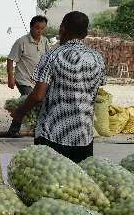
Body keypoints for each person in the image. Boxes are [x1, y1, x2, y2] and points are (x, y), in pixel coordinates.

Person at [10, 11, 106, 163]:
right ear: (85, 33)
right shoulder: (97, 58)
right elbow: (95, 90)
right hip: (83, 135)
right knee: (79, 183)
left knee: (51, 183)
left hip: (53, 134)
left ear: (62, 29)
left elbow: (38, 95)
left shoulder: (53, 55)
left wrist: (20, 112)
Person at [4, 15, 50, 137]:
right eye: (37, 28)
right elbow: (10, 59)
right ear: (31, 27)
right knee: (30, 101)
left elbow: (47, 59)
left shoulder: (45, 41)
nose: (39, 31)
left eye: (42, 29)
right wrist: (10, 77)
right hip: (23, 79)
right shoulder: (21, 42)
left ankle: (35, 130)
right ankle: (14, 131)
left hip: (39, 80)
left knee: (32, 103)